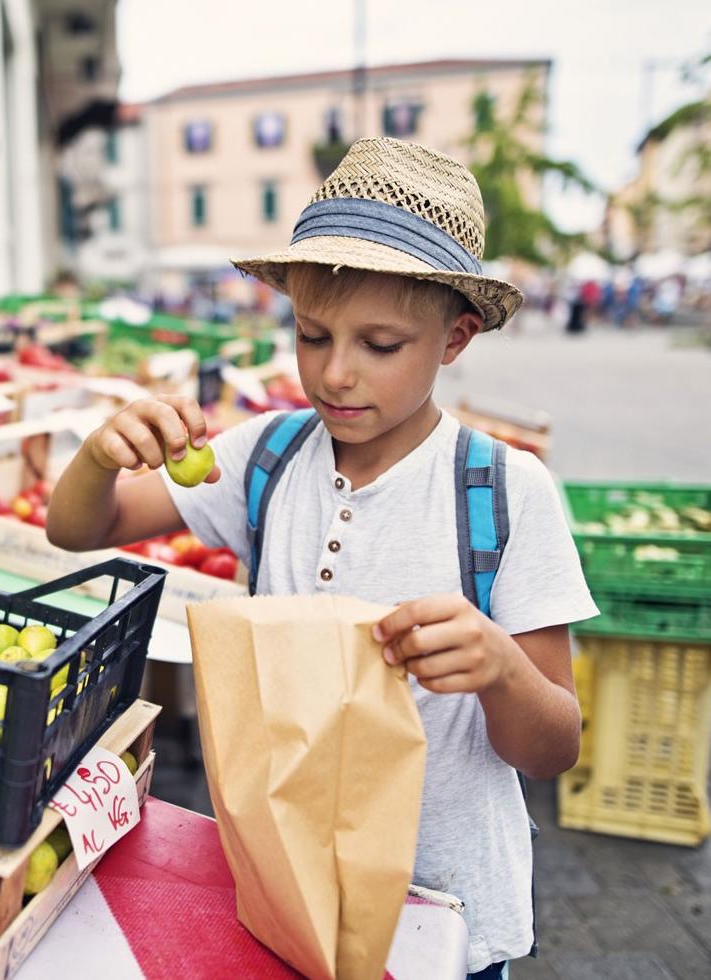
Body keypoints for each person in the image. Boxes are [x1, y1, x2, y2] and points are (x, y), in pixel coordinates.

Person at [47, 137, 598, 979]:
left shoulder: (503, 492)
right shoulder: (268, 455)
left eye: (381, 345)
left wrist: (499, 668)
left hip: (443, 909)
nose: (336, 373)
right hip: (286, 881)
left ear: (455, 338)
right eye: (312, 335)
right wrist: (100, 455)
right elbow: (80, 528)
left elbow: (554, 749)